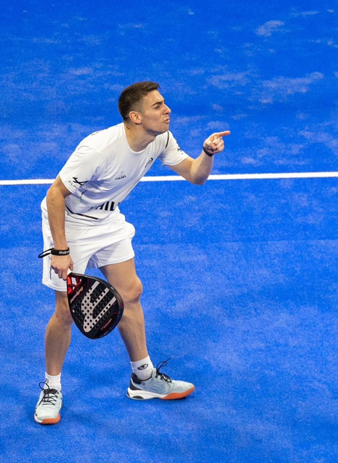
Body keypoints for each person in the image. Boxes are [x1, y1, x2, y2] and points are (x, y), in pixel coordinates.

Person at [34, 81, 230, 425]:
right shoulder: (99, 149)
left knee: (131, 293)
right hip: (70, 222)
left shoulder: (161, 139)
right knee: (66, 312)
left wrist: (208, 154)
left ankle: (143, 378)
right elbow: (54, 195)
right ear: (135, 117)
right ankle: (51, 388)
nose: (166, 109)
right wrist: (60, 250)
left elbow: (195, 176)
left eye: (164, 103)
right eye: (157, 106)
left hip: (107, 218)